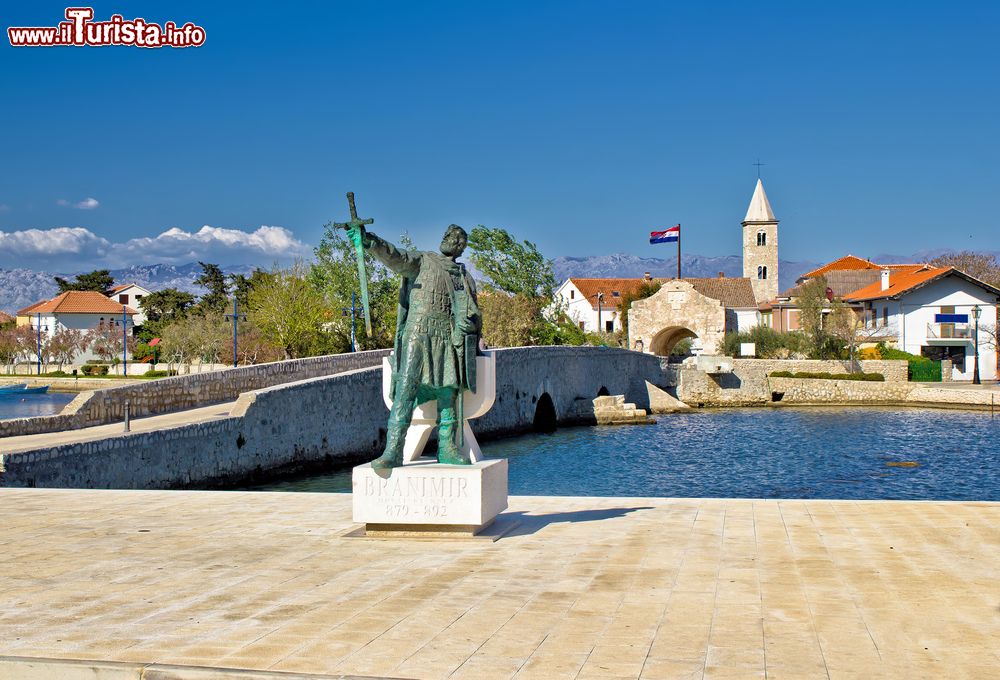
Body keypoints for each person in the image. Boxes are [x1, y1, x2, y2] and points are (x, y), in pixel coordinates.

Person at [345, 223, 481, 469]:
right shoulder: (423, 260)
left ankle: (447, 448)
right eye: (448, 234)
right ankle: (393, 451)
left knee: (447, 393)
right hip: (418, 334)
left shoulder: (464, 277)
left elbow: (475, 314)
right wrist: (370, 241)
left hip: (448, 339)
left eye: (457, 238)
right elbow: (396, 257)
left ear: (462, 247)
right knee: (406, 390)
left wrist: (470, 326)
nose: (449, 238)